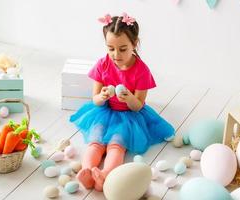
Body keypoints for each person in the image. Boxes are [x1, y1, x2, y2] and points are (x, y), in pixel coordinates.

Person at [69, 13, 175, 191]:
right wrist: (102, 97)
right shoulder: (103, 64)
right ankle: (87, 171)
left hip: (128, 117)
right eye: (110, 48)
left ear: (134, 44)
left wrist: (130, 98)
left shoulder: (141, 71)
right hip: (105, 113)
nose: (116, 54)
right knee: (95, 142)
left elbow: (139, 106)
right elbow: (95, 100)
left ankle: (104, 174)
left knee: (116, 145)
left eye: (123, 49)